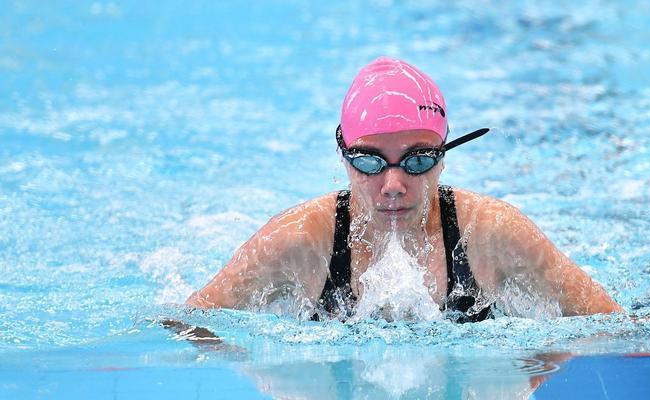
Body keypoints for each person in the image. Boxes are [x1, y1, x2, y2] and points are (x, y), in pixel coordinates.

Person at [185, 56, 623, 321]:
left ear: (444, 154)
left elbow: (609, 326)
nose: (392, 185)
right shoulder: (299, 241)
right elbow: (193, 325)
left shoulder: (492, 234)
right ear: (343, 155)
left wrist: (528, 377)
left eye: (417, 160)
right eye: (369, 161)